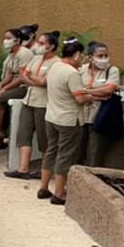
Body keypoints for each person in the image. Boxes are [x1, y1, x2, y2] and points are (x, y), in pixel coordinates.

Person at [39, 40, 92, 205]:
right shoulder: (72, 73)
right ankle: (59, 192)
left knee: (51, 151)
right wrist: (90, 96)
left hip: (52, 116)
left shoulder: (55, 66)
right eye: (81, 55)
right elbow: (80, 98)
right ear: (76, 55)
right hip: (69, 120)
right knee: (65, 155)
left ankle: (44, 187)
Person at [6, 31, 60, 180]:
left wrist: (30, 78)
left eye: (42, 43)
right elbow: (23, 74)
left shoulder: (56, 62)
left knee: (44, 138)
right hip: (28, 100)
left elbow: (45, 82)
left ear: (51, 46)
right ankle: (23, 168)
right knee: (23, 134)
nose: (38, 46)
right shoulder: (36, 59)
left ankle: (44, 170)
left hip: (43, 104)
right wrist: (32, 79)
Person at [0, 28, 34, 149]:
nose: (5, 41)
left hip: (24, 87)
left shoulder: (24, 53)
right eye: (5, 38)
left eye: (8, 38)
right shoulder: (11, 54)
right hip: (13, 85)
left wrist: (5, 89)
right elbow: (9, 75)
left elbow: (21, 77)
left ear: (17, 40)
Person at [79, 41, 122, 167]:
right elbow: (74, 90)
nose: (104, 59)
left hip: (100, 117)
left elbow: (109, 90)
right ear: (91, 57)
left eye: (106, 55)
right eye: (100, 56)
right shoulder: (81, 70)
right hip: (80, 116)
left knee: (95, 151)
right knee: (77, 150)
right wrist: (98, 94)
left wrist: (86, 91)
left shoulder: (112, 70)